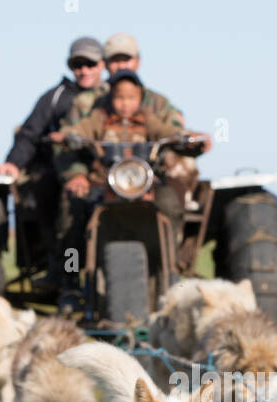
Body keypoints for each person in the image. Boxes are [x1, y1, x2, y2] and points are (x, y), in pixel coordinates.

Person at [0, 36, 105, 286]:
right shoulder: (55, 98)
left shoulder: (114, 96)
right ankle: (64, 274)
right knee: (64, 214)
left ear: (102, 65)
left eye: (90, 64)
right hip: (62, 172)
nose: (84, 71)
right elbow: (30, 134)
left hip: (108, 173)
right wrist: (14, 163)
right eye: (78, 64)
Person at [55, 70, 208, 260]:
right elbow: (79, 130)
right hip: (103, 184)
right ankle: (71, 275)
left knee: (170, 203)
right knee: (73, 208)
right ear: (111, 97)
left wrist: (189, 138)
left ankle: (170, 263)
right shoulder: (99, 117)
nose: (125, 103)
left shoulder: (148, 121)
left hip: (146, 185)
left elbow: (169, 132)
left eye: (131, 98)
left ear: (140, 98)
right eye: (119, 97)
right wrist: (67, 136)